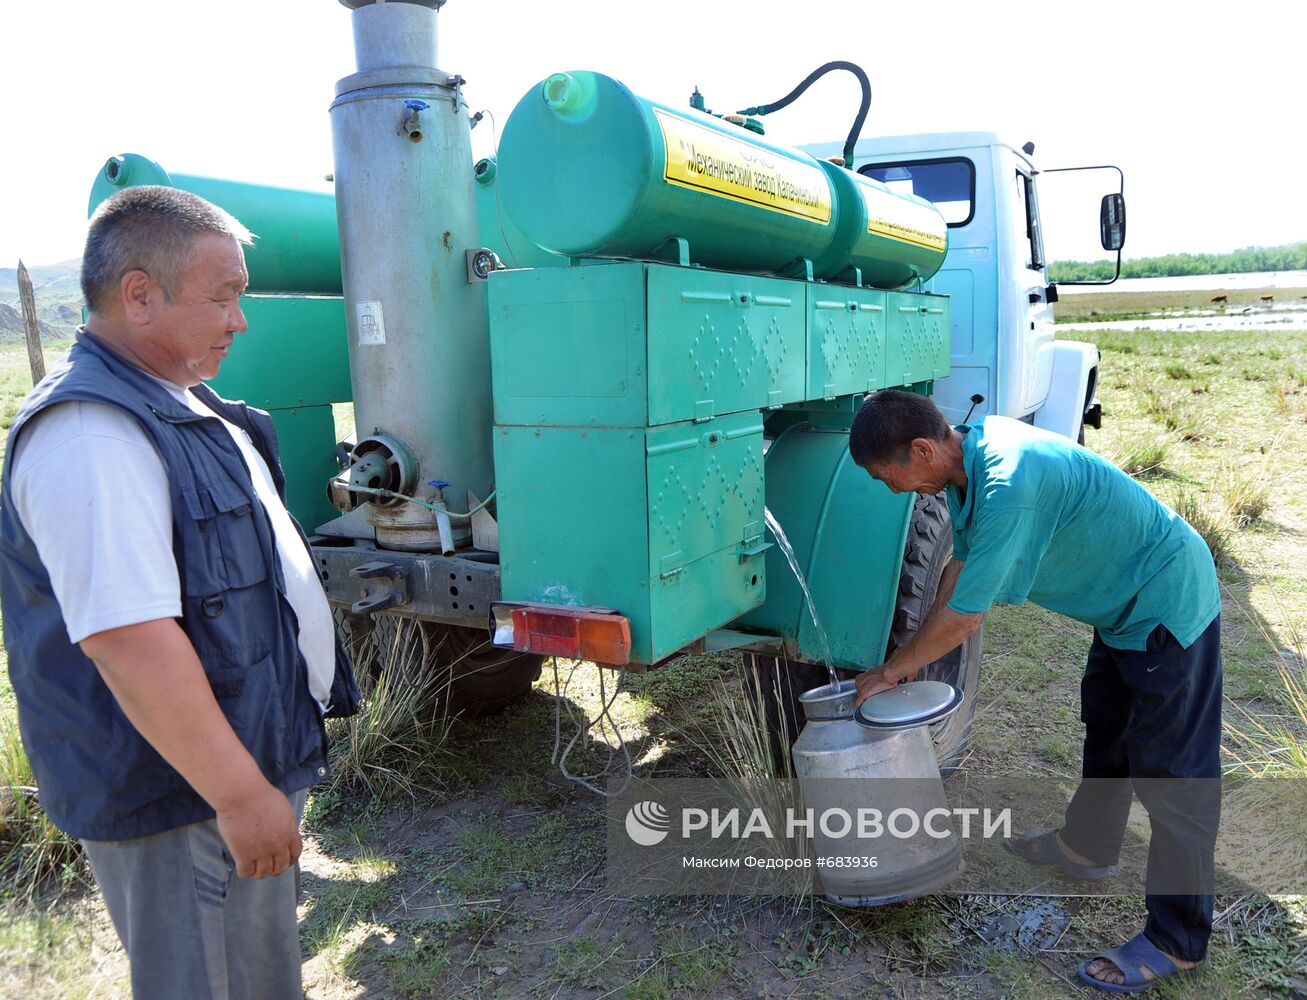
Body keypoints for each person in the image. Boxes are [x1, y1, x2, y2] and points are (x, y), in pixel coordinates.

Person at [0, 185, 359, 999]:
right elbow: (128, 639)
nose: (240, 320)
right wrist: (238, 794)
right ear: (140, 296)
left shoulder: (176, 401)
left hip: (224, 771)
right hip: (181, 797)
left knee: (255, 977)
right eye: (223, 297)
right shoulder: (92, 433)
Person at [849, 389, 1221, 994]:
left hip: (1167, 603)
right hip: (1124, 613)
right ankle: (1087, 848)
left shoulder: (1009, 483)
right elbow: (958, 570)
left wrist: (892, 671)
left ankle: (1177, 941)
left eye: (891, 478)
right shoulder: (966, 467)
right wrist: (911, 654)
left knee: (1174, 774)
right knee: (1108, 730)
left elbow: (967, 616)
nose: (894, 491)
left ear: (922, 449)